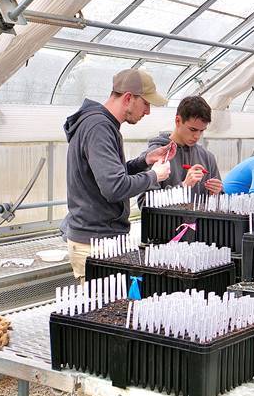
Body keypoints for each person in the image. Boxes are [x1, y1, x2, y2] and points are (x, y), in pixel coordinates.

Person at [63, 68, 177, 281]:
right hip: (95, 242)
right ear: (128, 98)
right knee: (100, 311)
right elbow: (114, 187)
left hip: (100, 239)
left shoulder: (100, 125)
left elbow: (106, 177)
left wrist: (145, 161)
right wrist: (154, 176)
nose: (148, 111)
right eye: (146, 103)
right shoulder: (99, 127)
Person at [137, 96, 222, 209]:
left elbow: (218, 206)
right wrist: (183, 187)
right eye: (193, 129)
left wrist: (216, 194)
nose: (197, 136)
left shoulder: (207, 157)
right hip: (166, 226)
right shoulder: (155, 155)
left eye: (202, 130)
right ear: (178, 121)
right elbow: (145, 203)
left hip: (199, 226)